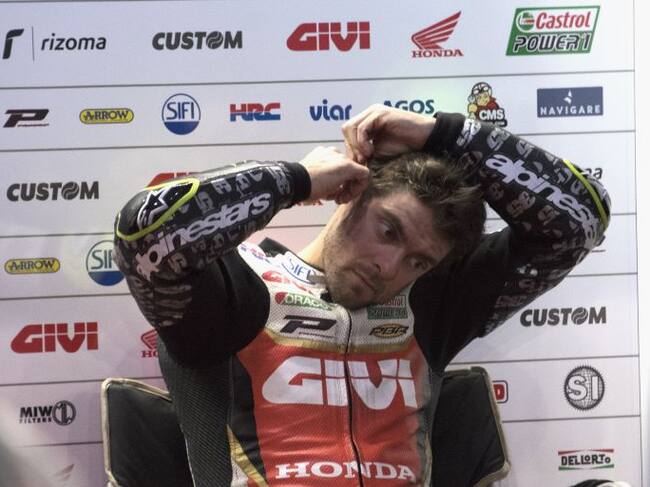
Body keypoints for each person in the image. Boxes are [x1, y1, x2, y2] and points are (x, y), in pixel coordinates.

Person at [113, 105, 610, 486]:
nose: (389, 268)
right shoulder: (235, 289)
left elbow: (580, 222)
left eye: (418, 261)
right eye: (388, 231)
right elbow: (145, 232)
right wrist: (295, 180)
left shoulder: (434, 303)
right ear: (350, 193)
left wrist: (444, 136)